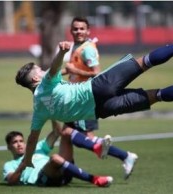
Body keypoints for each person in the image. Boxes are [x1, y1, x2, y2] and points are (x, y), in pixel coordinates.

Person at [15, 25, 173, 169]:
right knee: (146, 62)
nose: (42, 70)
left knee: (157, 96)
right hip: (98, 88)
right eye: (38, 70)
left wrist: (26, 161)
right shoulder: (45, 82)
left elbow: (33, 138)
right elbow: (53, 69)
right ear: (34, 80)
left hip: (103, 109)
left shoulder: (38, 109)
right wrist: (61, 53)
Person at [61, 16, 138, 180]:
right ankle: (67, 171)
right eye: (75, 29)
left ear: (88, 31)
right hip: (74, 98)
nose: (78, 31)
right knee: (66, 134)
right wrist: (49, 75)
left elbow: (96, 73)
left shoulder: (88, 49)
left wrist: (74, 71)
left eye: (82, 28)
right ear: (71, 31)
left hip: (84, 100)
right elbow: (72, 70)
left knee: (83, 137)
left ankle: (125, 156)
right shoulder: (77, 47)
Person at [3, 120, 113, 187]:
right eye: (15, 142)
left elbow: (57, 133)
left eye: (21, 141)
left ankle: (96, 148)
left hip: (62, 171)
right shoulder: (9, 164)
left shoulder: (37, 148)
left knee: (67, 131)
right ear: (9, 147)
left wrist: (52, 115)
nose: (19, 144)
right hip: (43, 179)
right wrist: (23, 165)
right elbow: (11, 181)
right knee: (55, 158)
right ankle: (95, 179)